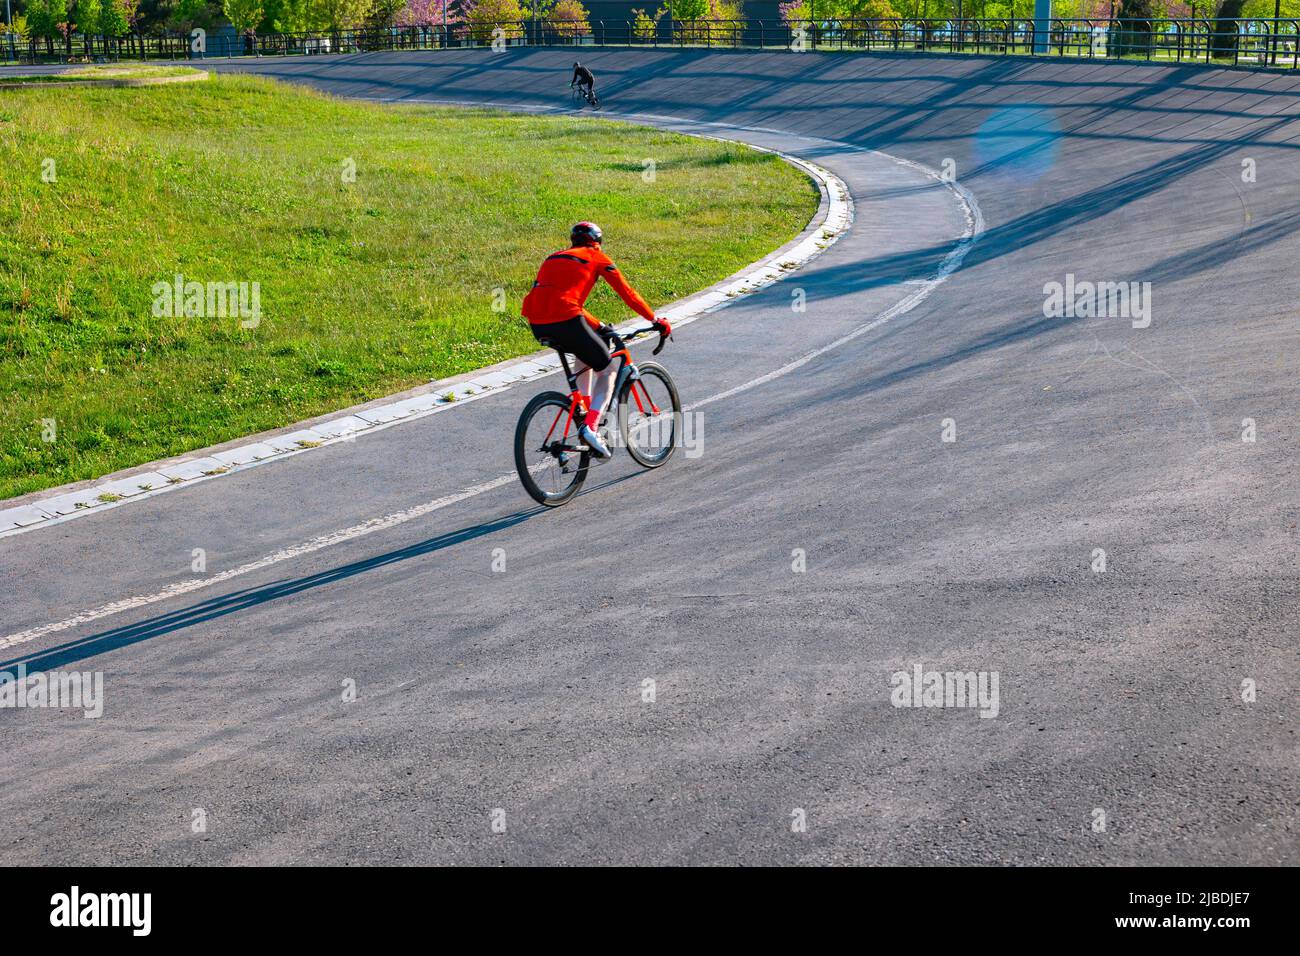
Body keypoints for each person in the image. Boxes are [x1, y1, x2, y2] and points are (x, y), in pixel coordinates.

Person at [521, 222, 671, 459]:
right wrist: (655, 319)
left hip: (537, 324)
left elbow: (563, 300)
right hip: (567, 319)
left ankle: (583, 409)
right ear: (598, 243)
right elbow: (628, 294)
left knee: (584, 350)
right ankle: (591, 427)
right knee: (609, 370)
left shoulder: (553, 257)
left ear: (573, 242)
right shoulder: (597, 257)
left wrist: (600, 326)